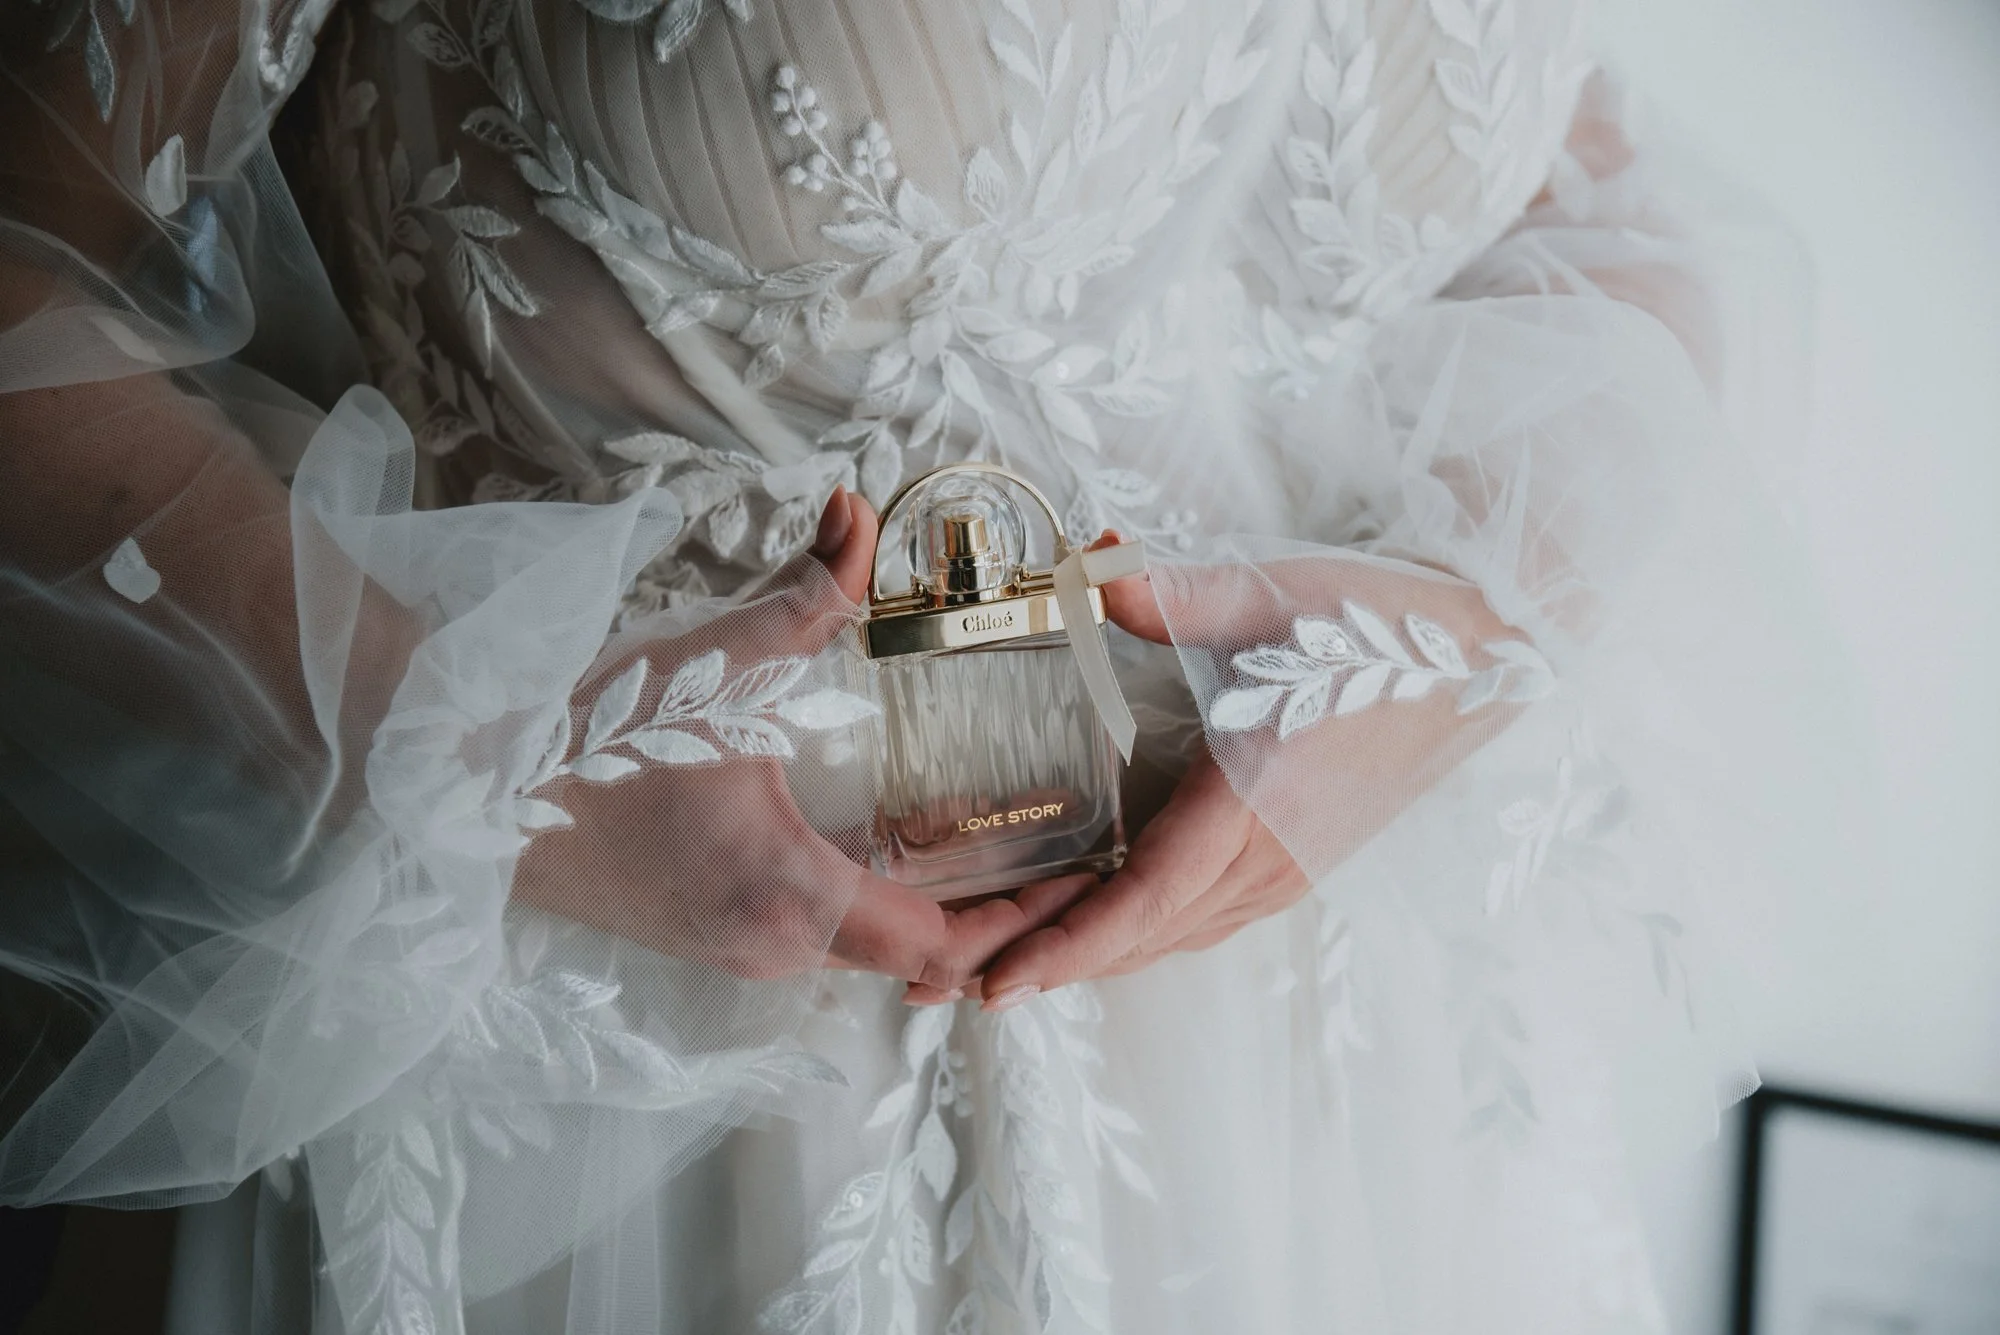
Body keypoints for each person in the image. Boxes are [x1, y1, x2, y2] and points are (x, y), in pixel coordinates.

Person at [0, 1, 1855, 1331]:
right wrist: (499, 760)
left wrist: (1464, 624)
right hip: (627, 1065)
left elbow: (1601, 218)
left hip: (1343, 1083)